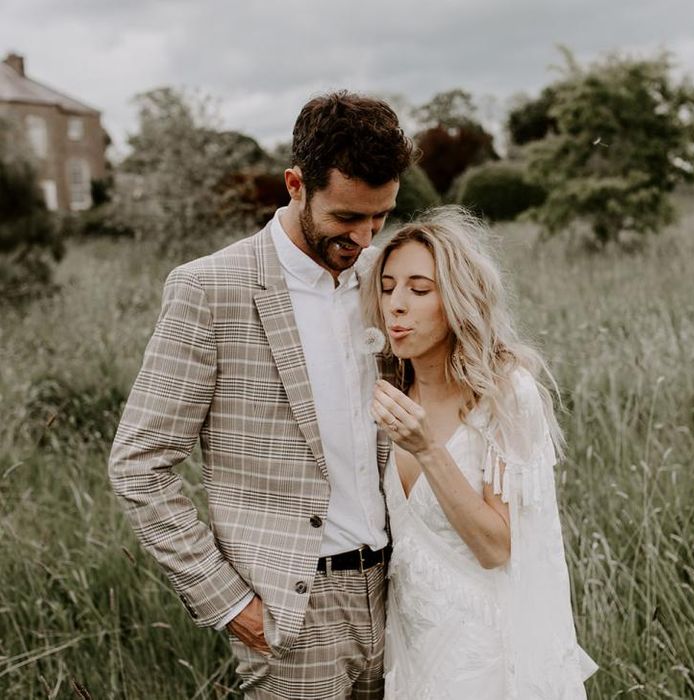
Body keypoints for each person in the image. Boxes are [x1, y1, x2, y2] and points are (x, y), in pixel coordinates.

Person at [108, 91, 413, 699]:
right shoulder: (208, 288)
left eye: (380, 216)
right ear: (296, 184)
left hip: (404, 594)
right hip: (291, 614)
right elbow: (139, 465)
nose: (364, 236)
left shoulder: (388, 277)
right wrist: (228, 603)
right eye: (347, 217)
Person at [365, 207, 598, 699]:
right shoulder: (389, 390)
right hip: (410, 650)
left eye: (419, 289)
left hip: (484, 657)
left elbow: (496, 547)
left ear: (457, 299)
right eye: (387, 287)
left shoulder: (505, 395)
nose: (396, 306)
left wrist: (429, 449)